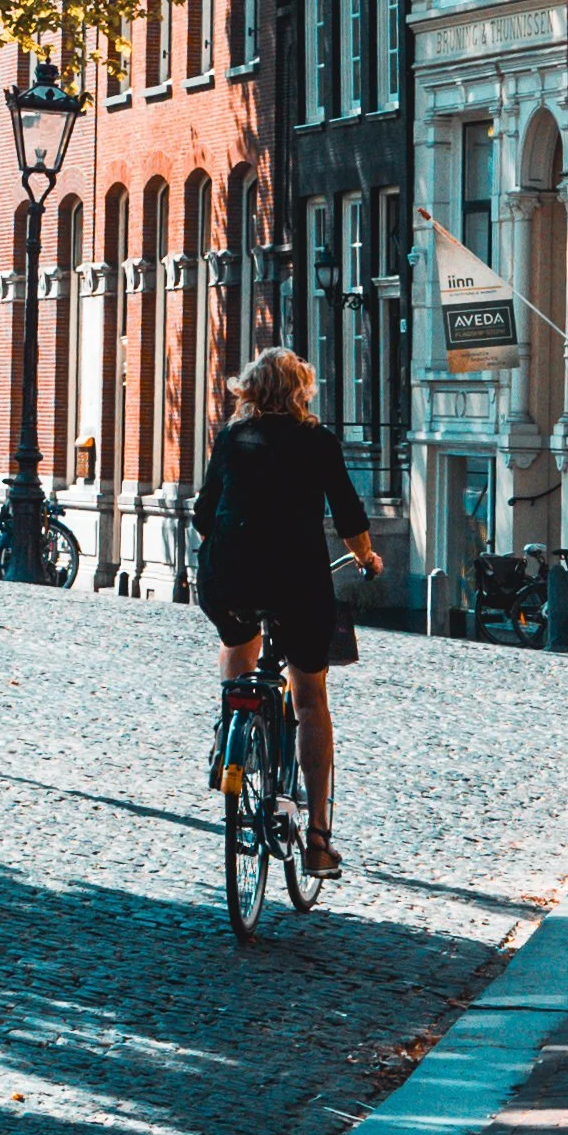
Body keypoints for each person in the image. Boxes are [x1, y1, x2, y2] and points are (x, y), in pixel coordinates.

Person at [192, 346, 380, 878]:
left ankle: (230, 730)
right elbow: (348, 512)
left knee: (236, 641)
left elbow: (205, 513)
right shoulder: (317, 441)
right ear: (301, 392)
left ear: (249, 390)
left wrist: (228, 544)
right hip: (297, 580)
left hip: (228, 576)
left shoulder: (230, 438)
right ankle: (318, 839)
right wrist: (366, 556)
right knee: (311, 698)